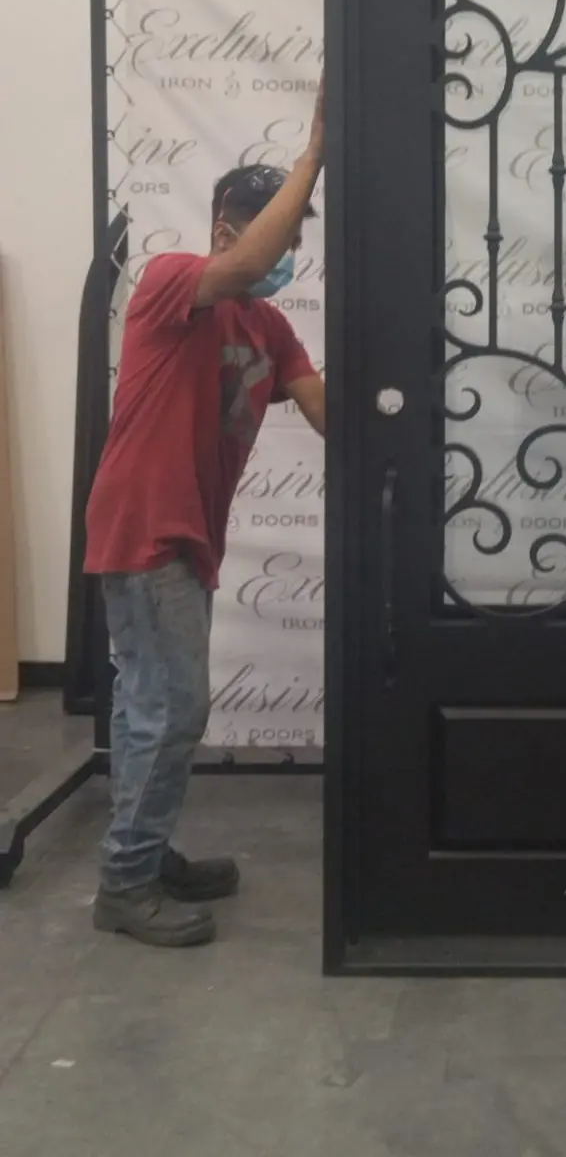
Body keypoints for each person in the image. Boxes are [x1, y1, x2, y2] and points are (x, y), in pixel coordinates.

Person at [84, 78, 326, 948]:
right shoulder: (171, 281)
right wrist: (313, 155)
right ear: (227, 230)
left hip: (185, 539)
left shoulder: (269, 329)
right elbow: (247, 268)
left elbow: (325, 410)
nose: (287, 255)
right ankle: (125, 884)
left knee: (148, 705)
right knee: (172, 707)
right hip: (145, 527)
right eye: (279, 237)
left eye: (295, 242)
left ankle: (142, 855)